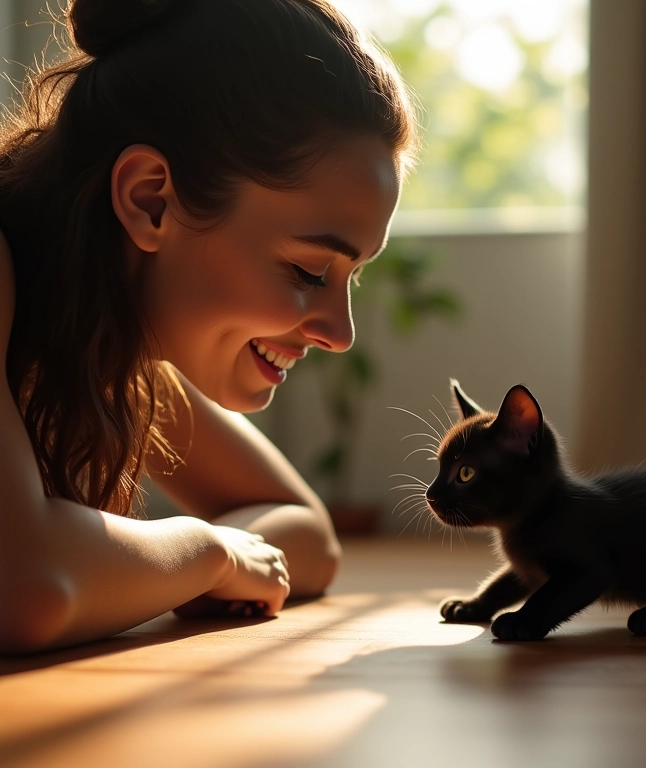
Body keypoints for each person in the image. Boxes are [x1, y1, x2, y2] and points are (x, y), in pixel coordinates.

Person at [0, 0, 418, 654]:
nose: (340, 335)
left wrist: (177, 564)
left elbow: (308, 534)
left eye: (351, 276)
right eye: (309, 271)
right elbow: (26, 589)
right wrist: (212, 554)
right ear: (150, 200)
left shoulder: (116, 344)